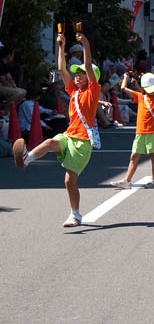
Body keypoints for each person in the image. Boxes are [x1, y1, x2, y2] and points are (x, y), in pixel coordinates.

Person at [12, 31, 99, 227]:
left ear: (91, 78)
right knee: (50, 141)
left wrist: (85, 44)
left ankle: (75, 214)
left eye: (82, 74)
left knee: (69, 181)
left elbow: (88, 67)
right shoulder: (73, 91)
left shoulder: (93, 92)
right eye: (77, 73)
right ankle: (26, 159)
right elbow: (61, 69)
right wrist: (61, 45)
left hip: (83, 142)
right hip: (69, 136)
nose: (78, 76)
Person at [112, 72, 154, 189]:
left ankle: (153, 179)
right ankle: (127, 181)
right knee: (134, 156)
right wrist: (126, 76)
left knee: (153, 157)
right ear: (144, 88)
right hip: (140, 132)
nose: (152, 91)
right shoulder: (140, 97)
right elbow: (123, 88)